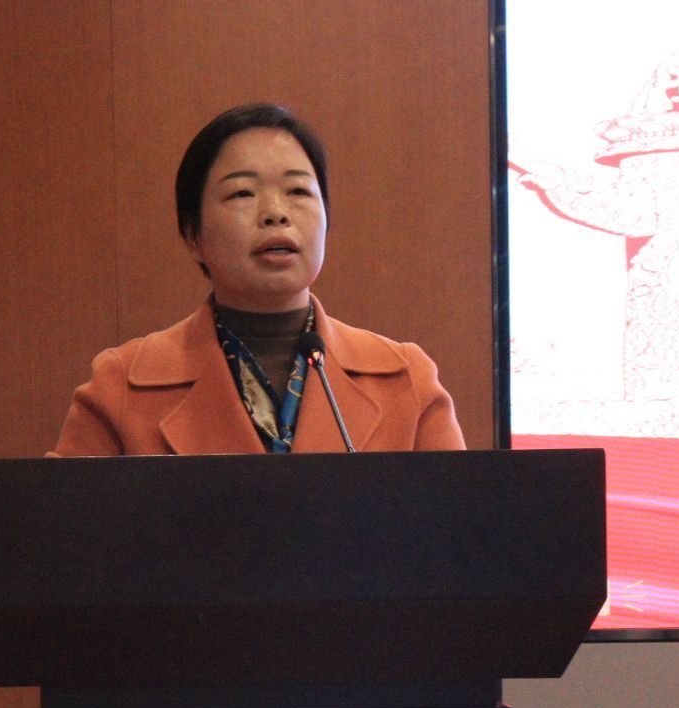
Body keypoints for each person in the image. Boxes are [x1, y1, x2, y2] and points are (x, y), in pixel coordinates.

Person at [51, 103, 465, 456]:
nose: (275, 213)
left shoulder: (405, 379)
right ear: (193, 235)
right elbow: (63, 521)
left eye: (298, 192)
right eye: (242, 194)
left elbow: (459, 521)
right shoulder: (121, 386)